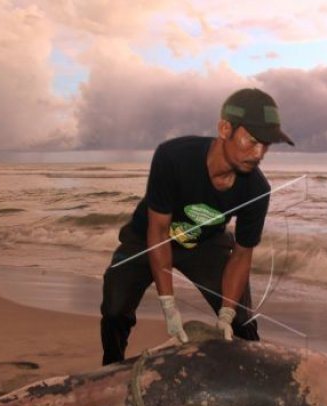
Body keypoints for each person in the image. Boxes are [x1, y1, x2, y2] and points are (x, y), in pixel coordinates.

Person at [99, 88, 295, 365]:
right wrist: (169, 306)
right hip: (148, 238)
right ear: (225, 128)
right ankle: (110, 369)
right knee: (115, 311)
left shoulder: (257, 189)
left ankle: (249, 379)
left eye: (266, 145)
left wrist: (226, 313)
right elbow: (158, 232)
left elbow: (242, 255)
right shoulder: (174, 157)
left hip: (204, 243)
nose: (258, 153)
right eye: (251, 140)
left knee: (242, 323)